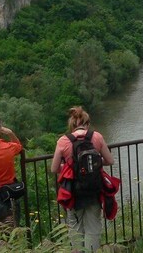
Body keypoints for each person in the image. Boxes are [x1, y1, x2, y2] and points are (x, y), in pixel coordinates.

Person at [50, 106, 114, 252]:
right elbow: (110, 160)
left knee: (75, 228)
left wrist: (69, 167)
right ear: (88, 123)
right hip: (94, 189)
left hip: (73, 192)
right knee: (93, 228)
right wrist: (95, 163)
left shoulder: (63, 141)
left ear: (72, 125)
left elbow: (54, 169)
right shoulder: (96, 137)